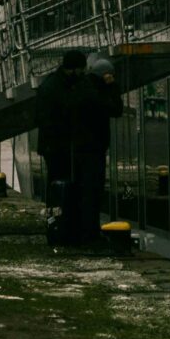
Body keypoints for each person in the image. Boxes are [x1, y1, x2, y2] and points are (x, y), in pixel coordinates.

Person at [59, 53, 122, 250]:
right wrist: (112, 87)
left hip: (80, 148)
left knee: (83, 191)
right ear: (105, 75)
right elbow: (116, 109)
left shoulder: (82, 88)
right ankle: (90, 234)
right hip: (92, 150)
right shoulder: (95, 93)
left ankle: (81, 232)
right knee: (92, 192)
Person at [34, 49, 88, 248]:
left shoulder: (53, 84)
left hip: (53, 146)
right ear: (73, 69)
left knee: (56, 187)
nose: (82, 73)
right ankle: (60, 225)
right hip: (57, 147)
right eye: (81, 69)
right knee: (60, 187)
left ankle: (57, 224)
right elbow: (55, 117)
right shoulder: (57, 88)